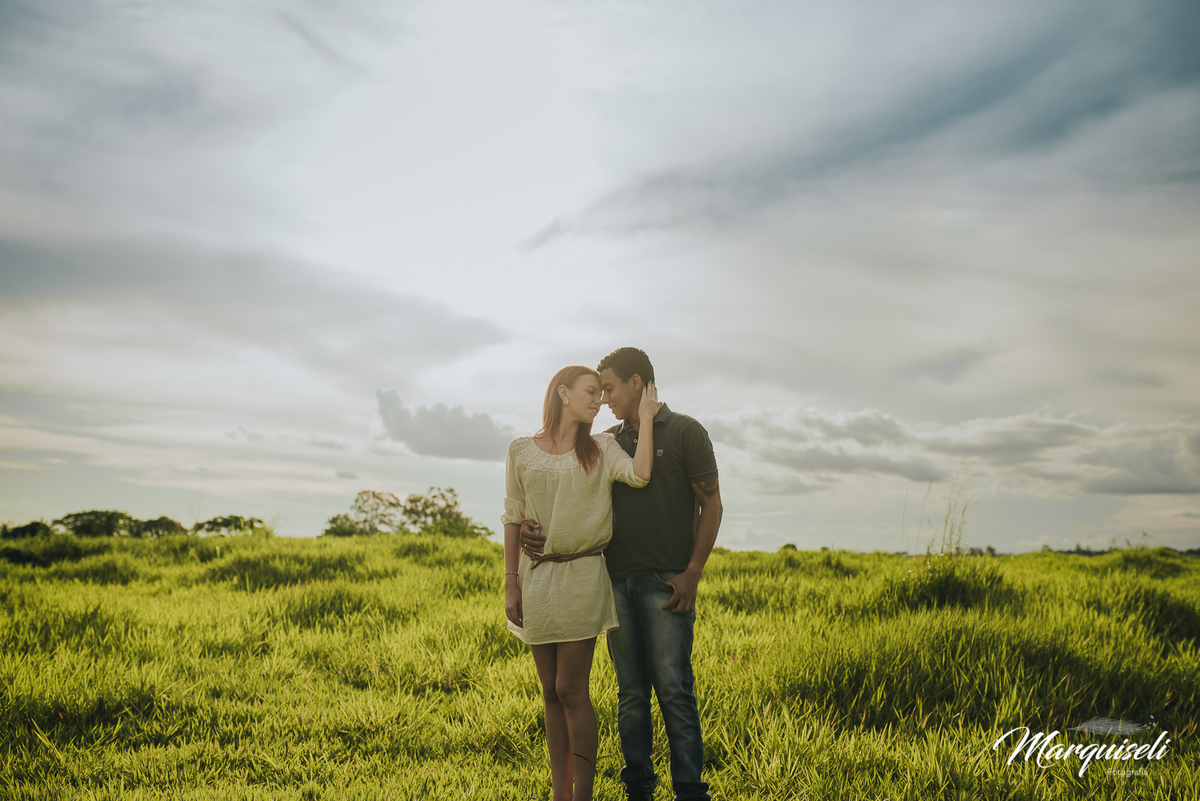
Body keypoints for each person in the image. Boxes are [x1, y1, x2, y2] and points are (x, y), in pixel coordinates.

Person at [523, 348, 722, 801]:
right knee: (630, 693)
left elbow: (711, 504)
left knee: (673, 689)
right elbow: (570, 494)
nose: (605, 398)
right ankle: (638, 790)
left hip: (666, 582)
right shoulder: (605, 441)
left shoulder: (686, 431)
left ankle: (690, 792)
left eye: (609, 388)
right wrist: (533, 527)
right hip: (613, 582)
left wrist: (692, 573)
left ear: (637, 383)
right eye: (598, 390)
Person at [502, 364, 660, 801]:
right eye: (591, 391)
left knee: (570, 689)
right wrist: (511, 581)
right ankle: (561, 794)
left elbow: (640, 474)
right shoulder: (520, 449)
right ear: (563, 393)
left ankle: (583, 795)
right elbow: (513, 516)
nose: (599, 400)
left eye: (601, 393)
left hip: (583, 577)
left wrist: (647, 418)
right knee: (550, 693)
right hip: (535, 579)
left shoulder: (602, 447)